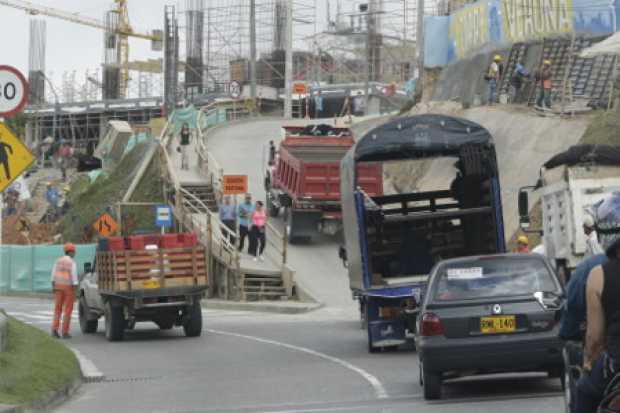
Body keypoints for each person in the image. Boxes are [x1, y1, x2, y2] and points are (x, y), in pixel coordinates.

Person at [576, 194, 620, 412]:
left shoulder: (598, 275)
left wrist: (589, 362)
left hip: (616, 367)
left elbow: (594, 338)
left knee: (583, 392)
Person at [51, 243, 78, 339]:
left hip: (58, 287)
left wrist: (53, 287)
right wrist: (75, 290)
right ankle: (65, 332)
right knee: (67, 310)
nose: (75, 253)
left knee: (57, 309)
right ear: (70, 252)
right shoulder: (72, 262)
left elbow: (53, 276)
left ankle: (54, 330)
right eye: (74, 251)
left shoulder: (58, 261)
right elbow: (74, 278)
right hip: (68, 288)